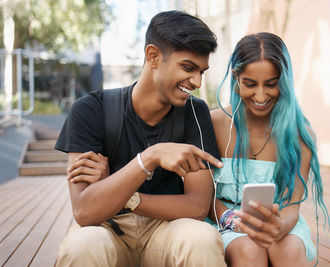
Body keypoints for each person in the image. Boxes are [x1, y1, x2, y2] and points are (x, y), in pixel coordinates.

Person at [54, 10, 227, 267]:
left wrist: (119, 193)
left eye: (202, 71)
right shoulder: (90, 110)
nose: (197, 81)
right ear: (153, 56)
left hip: (166, 230)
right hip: (108, 230)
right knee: (83, 245)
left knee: (201, 239)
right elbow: (85, 211)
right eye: (189, 68)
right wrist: (151, 156)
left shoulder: (194, 112)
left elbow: (197, 205)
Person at [208, 32, 329, 266]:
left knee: (289, 250)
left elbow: (292, 207)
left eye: (271, 84)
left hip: (280, 221)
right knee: (249, 250)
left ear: (283, 82)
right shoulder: (214, 124)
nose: (261, 96)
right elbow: (205, 195)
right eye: (250, 84)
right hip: (222, 221)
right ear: (236, 79)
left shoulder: (300, 134)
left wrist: (274, 230)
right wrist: (232, 220)